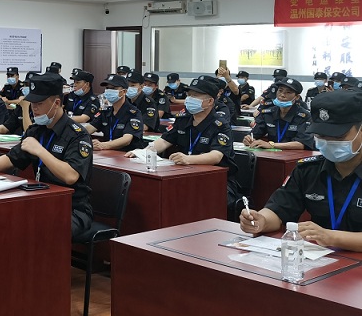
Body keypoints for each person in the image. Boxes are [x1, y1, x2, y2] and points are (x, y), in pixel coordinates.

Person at [240, 91, 362, 250]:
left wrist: (332, 237)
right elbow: (280, 208)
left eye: (338, 136)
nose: (328, 142)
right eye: (321, 135)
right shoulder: (308, 170)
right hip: (322, 258)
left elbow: (327, 236)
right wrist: (261, 220)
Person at [0, 72, 93, 237]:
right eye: (32, 103)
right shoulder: (37, 130)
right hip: (41, 200)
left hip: (72, 208)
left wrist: (40, 150)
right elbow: (13, 157)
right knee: (2, 218)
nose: (34, 108)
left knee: (36, 228)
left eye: (39, 103)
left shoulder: (77, 135)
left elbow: (70, 176)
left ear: (56, 103)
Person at [140, 76, 239, 207]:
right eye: (189, 95)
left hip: (216, 179)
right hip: (185, 174)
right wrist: (143, 152)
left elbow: (216, 156)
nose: (189, 99)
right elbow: (164, 141)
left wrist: (188, 159)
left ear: (210, 101)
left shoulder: (220, 124)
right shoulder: (184, 119)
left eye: (195, 96)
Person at [243, 77, 314, 150]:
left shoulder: (305, 116)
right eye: (280, 90)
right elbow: (255, 133)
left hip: (295, 155)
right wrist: (249, 139)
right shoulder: (267, 113)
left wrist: (272, 145)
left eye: (288, 92)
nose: (282, 95)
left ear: (297, 97)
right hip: (272, 154)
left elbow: (302, 144)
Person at [83, 74, 145, 152]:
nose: (109, 91)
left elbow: (127, 139)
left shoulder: (134, 113)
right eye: (107, 88)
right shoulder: (105, 112)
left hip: (126, 154)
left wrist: (103, 145)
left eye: (113, 88)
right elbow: (89, 129)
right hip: (108, 154)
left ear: (124, 92)